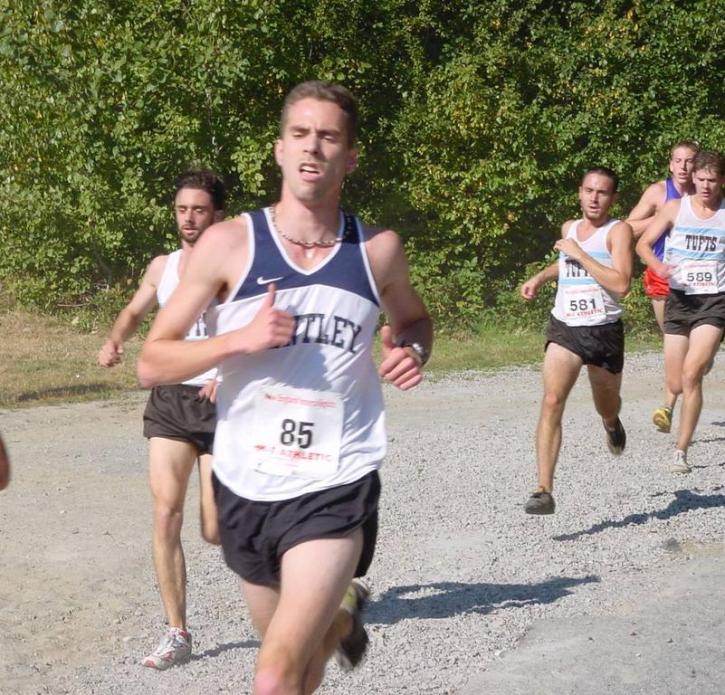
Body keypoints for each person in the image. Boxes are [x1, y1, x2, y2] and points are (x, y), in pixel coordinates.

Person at [137, 80, 432, 694]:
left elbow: (414, 320)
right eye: (300, 133)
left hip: (335, 479)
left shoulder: (376, 251)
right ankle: (341, 615)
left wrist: (412, 349)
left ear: (349, 157)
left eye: (328, 137)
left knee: (271, 678)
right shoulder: (227, 244)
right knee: (300, 670)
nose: (312, 148)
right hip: (246, 485)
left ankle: (334, 607)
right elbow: (152, 362)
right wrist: (235, 340)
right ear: (278, 149)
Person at [98, 169, 226, 669]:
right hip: (172, 399)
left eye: (198, 209)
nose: (188, 219)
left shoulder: (238, 264)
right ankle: (177, 632)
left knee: (216, 529)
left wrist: (231, 373)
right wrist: (115, 339)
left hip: (223, 402)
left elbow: (256, 326)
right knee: (164, 513)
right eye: (181, 209)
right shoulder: (163, 266)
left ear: (217, 214)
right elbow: (134, 312)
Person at [520, 167, 633, 515]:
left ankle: (611, 424)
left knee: (607, 404)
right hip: (565, 327)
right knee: (552, 399)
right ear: (580, 192)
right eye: (588, 191)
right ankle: (543, 489)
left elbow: (621, 284)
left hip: (602, 332)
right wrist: (540, 276)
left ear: (613, 199)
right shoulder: (569, 229)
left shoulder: (619, 231)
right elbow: (565, 263)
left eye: (602, 193)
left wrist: (580, 253)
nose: (594, 198)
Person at [635, 150, 725, 474]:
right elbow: (642, 244)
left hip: (713, 302)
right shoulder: (675, 208)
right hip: (679, 299)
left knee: (691, 375)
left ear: (722, 181)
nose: (704, 185)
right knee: (675, 381)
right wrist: (658, 265)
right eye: (700, 179)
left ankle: (681, 450)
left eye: (712, 180)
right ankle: (701, 360)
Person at [626, 141, 698, 433]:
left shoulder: (705, 194)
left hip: (697, 280)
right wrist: (663, 216)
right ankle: (672, 401)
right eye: (678, 160)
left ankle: (668, 405)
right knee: (676, 339)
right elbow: (627, 228)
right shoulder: (658, 193)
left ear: (697, 166)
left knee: (693, 352)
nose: (683, 166)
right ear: (670, 165)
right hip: (662, 275)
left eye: (689, 161)